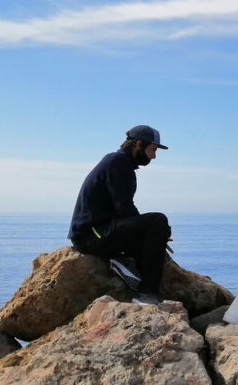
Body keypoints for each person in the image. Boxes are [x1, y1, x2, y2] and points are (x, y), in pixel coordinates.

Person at [68, 125, 172, 304]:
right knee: (158, 221)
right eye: (153, 150)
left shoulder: (121, 164)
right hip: (91, 235)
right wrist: (152, 231)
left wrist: (153, 235)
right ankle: (147, 295)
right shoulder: (118, 162)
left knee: (155, 231)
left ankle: (123, 262)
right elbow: (123, 208)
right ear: (138, 144)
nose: (154, 156)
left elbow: (124, 211)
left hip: (98, 232)